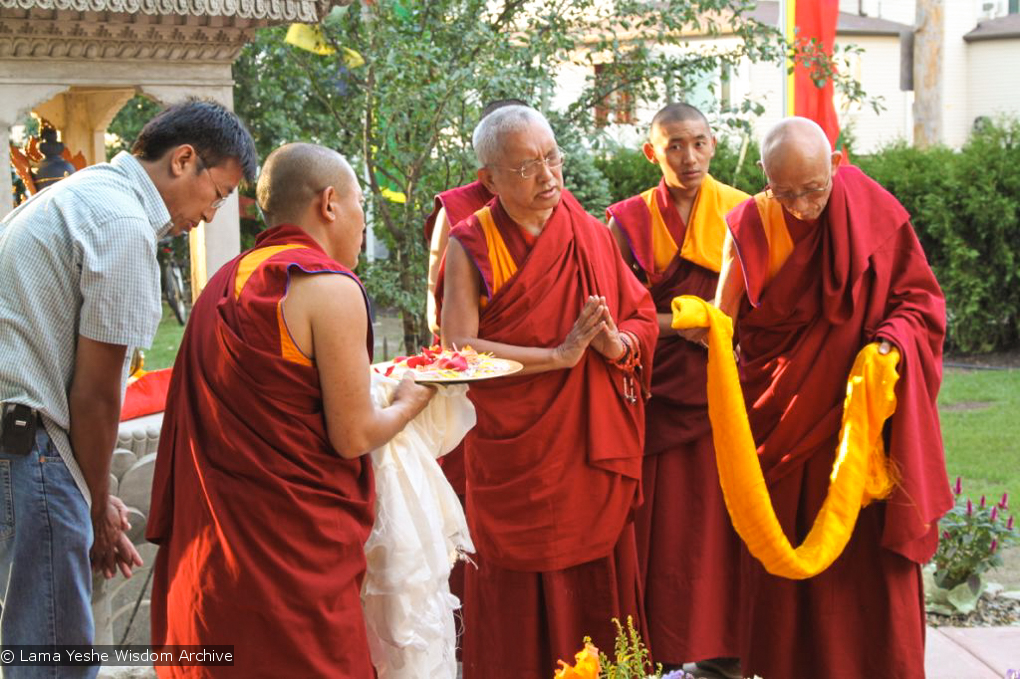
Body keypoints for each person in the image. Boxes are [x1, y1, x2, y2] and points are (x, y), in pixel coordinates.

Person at [147, 143, 435, 677]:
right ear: (329, 204)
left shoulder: (221, 284)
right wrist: (411, 401)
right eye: (361, 210)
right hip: (292, 574)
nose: (362, 225)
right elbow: (353, 435)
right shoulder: (327, 286)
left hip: (212, 564)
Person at [0, 99, 255, 677]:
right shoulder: (120, 223)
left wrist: (90, 494)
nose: (213, 215)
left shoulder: (80, 194)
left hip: (25, 446)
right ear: (185, 160)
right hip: (29, 448)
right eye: (218, 194)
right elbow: (95, 393)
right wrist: (94, 505)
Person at [714, 117, 951, 678]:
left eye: (814, 189)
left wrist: (892, 345)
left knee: (867, 575)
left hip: (861, 433)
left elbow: (922, 305)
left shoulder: (874, 213)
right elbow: (724, 322)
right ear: (763, 178)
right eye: (785, 191)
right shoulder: (749, 222)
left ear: (837, 162)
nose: (801, 205)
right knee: (784, 570)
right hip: (783, 424)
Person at [439, 105, 658, 678]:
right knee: (513, 583)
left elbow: (642, 317)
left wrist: (615, 347)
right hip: (513, 448)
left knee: (596, 582)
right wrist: (555, 358)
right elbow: (459, 346)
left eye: (553, 158)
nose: (549, 177)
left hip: (586, 442)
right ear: (488, 178)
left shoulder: (588, 233)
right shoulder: (471, 243)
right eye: (527, 167)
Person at [605, 102, 748, 677]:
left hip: (724, 398)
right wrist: (689, 322)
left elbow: (764, 308)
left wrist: (713, 326)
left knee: (720, 532)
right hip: (655, 400)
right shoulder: (626, 222)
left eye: (698, 143)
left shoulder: (743, 211)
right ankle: (649, 654)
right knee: (656, 536)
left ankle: (725, 655)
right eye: (674, 146)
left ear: (713, 143)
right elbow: (615, 315)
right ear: (651, 152)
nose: (688, 158)